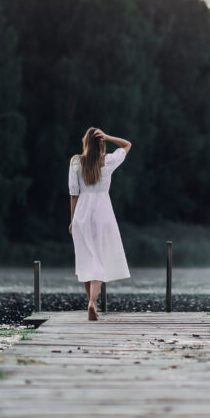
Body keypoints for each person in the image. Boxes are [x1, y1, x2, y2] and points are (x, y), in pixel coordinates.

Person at [68, 127, 132, 320]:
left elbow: (73, 194)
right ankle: (92, 303)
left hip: (81, 214)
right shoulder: (109, 161)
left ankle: (91, 303)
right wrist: (109, 136)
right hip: (103, 213)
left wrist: (72, 221)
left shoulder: (76, 162)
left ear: (85, 142)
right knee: (99, 260)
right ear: (101, 143)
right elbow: (127, 144)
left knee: (87, 259)